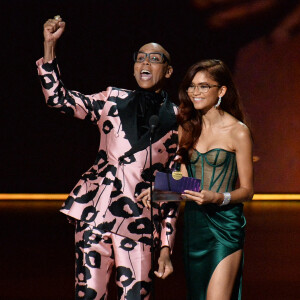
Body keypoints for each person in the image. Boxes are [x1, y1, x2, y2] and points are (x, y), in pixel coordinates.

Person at [37, 16, 179, 300]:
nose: (145, 64)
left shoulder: (178, 119)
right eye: (140, 59)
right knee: (88, 295)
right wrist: (49, 47)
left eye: (154, 59)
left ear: (168, 70)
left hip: (139, 222)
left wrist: (166, 247)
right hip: (94, 212)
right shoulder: (111, 98)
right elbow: (59, 99)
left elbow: (174, 185)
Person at [177, 59, 253, 300]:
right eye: (192, 86)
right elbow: (182, 180)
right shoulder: (186, 128)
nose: (195, 92)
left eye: (203, 86)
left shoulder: (238, 131)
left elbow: (248, 190)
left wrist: (219, 197)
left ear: (221, 91)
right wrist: (159, 189)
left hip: (225, 225)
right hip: (194, 224)